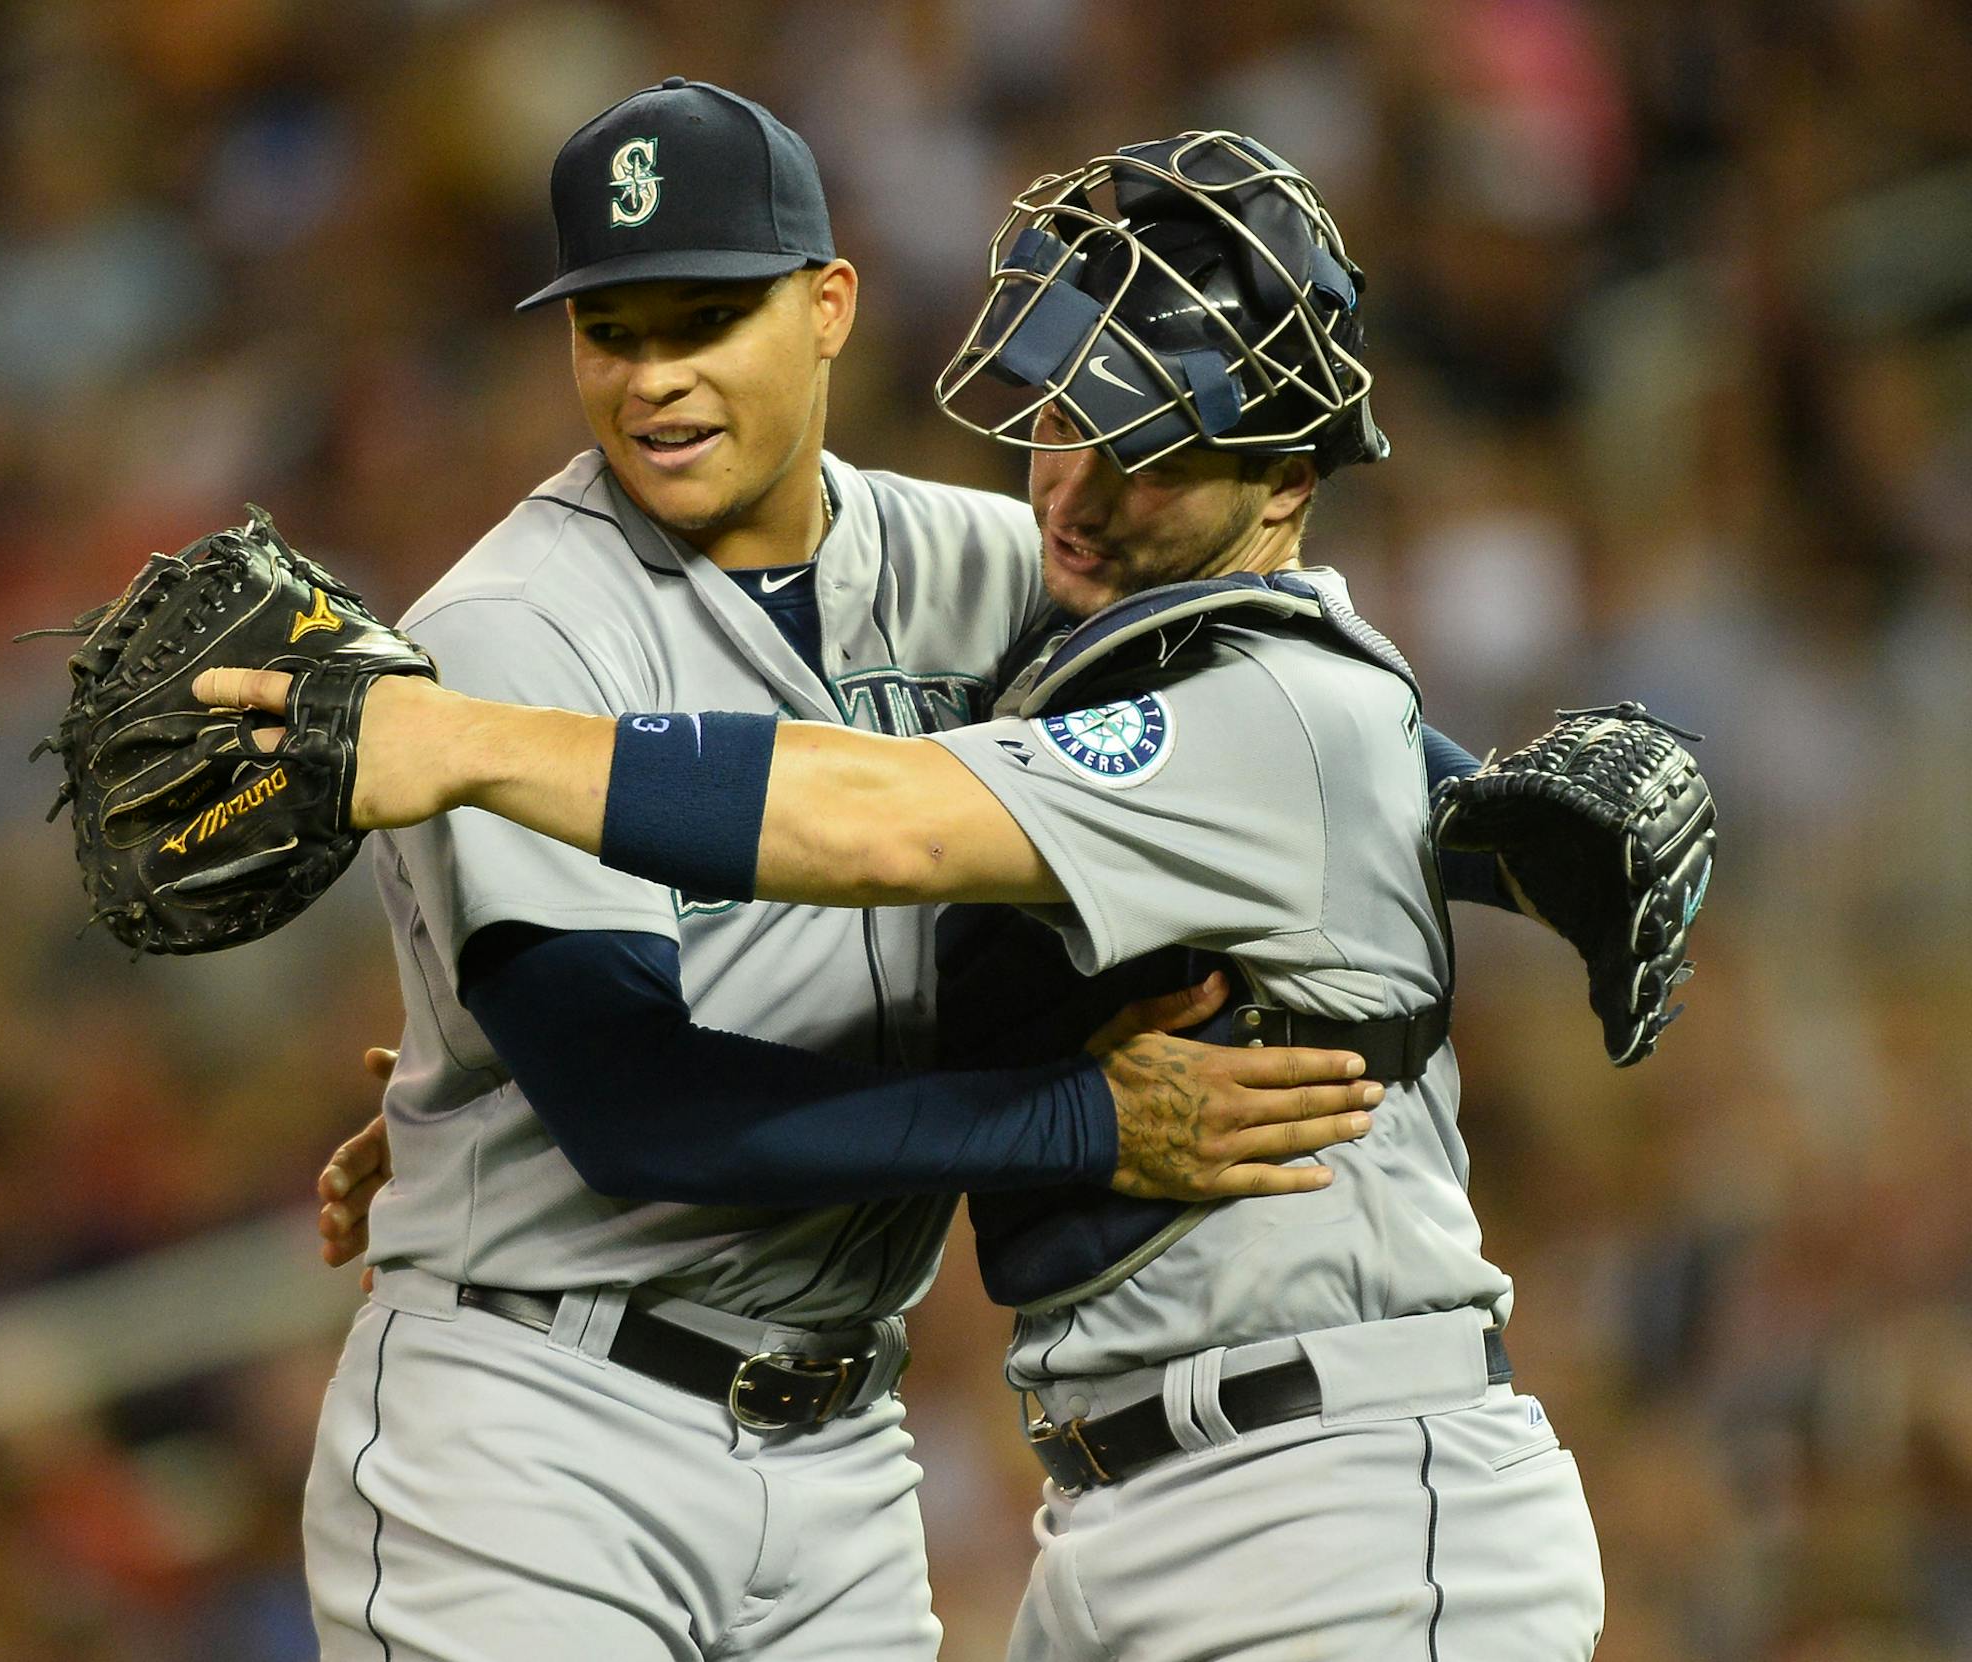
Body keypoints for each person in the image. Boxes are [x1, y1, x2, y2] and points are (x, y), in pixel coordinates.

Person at [212, 130, 1607, 1658]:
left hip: (906, 1471)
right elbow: (630, 1109)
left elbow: (1265, 726)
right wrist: (475, 1083)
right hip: (546, 1432)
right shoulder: (504, 632)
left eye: (707, 321)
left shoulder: (988, 564)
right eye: (613, 331)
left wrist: (1508, 819)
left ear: (827, 305)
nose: (655, 378)